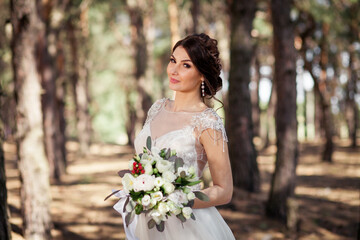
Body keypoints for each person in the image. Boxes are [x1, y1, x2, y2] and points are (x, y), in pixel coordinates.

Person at [114, 33, 235, 240]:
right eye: (173, 61)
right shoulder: (158, 108)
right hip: (146, 222)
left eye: (186, 65)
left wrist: (175, 200)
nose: (174, 70)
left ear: (202, 75)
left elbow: (224, 190)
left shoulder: (208, 122)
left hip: (187, 228)